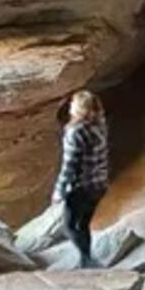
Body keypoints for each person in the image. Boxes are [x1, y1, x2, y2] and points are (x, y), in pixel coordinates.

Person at [53, 90, 109, 269]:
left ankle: (88, 259)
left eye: (72, 105)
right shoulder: (100, 125)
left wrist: (59, 191)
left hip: (82, 187)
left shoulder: (76, 132)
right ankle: (87, 260)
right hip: (99, 184)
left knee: (69, 226)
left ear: (78, 109)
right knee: (83, 223)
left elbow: (70, 165)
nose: (70, 107)